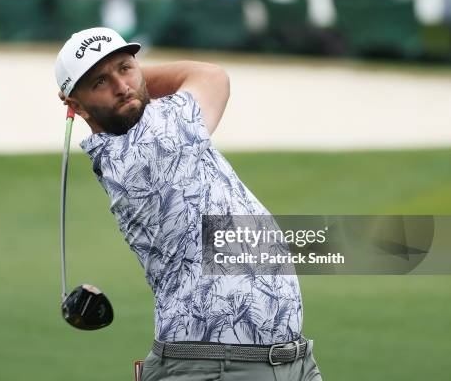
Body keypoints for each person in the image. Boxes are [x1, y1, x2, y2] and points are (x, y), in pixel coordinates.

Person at [54, 27, 322, 381]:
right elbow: (211, 76)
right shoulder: (148, 145)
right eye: (99, 82)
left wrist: (107, 81)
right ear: (75, 105)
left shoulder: (163, 126)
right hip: (216, 366)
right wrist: (134, 79)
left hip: (285, 361)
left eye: (125, 67)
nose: (121, 86)